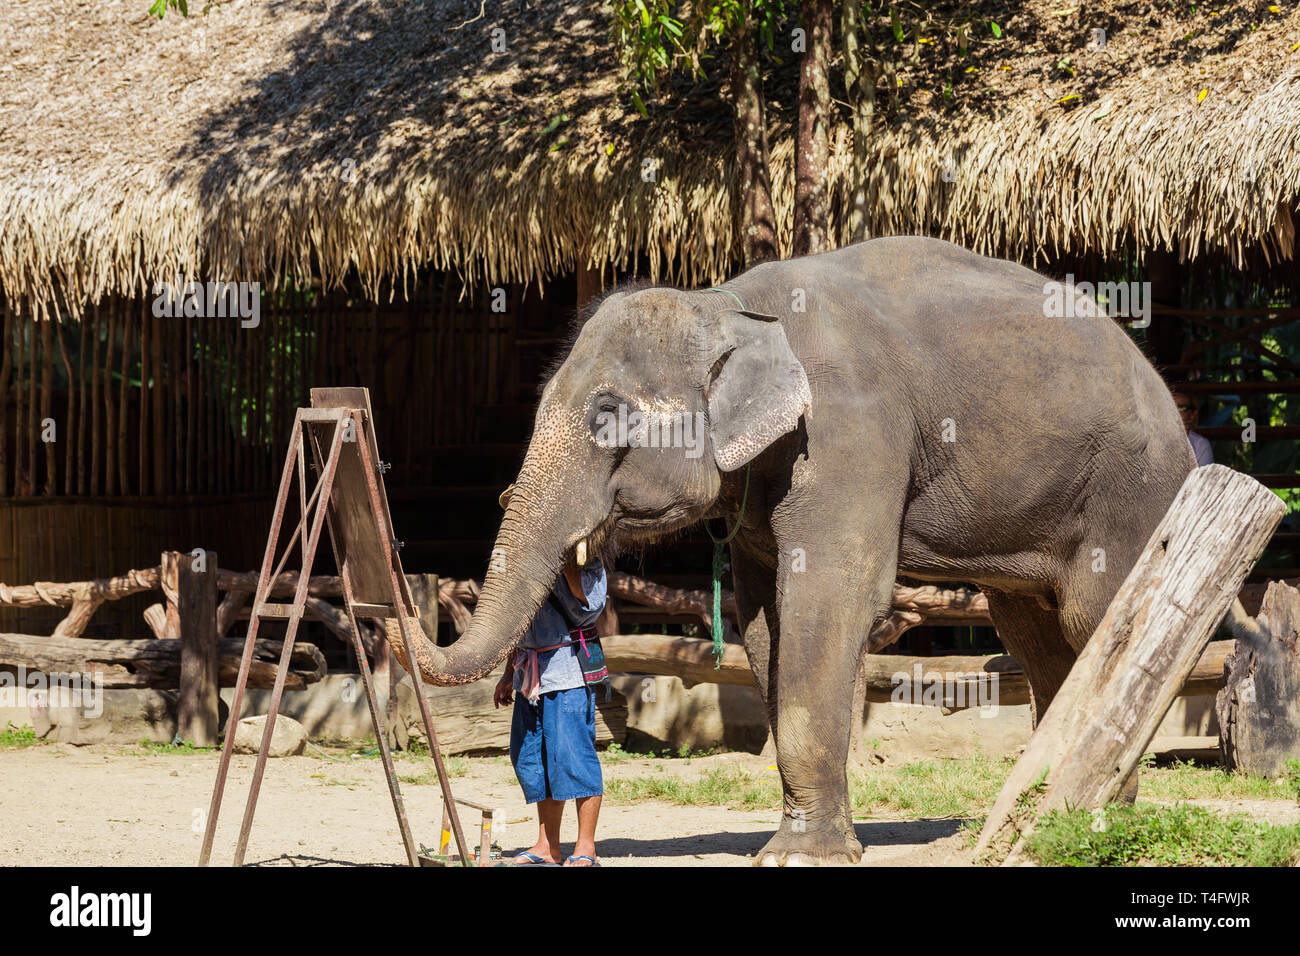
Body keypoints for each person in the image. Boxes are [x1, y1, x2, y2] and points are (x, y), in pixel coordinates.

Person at [492, 486, 607, 867]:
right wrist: (508, 673)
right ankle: (546, 846)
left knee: (572, 758)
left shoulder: (588, 562)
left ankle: (585, 847)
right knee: (533, 759)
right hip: (530, 673)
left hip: (568, 672)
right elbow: (511, 622)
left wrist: (565, 564)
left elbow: (589, 609)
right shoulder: (519, 565)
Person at [1172, 389, 1214, 467]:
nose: (1173, 412)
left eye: (1181, 408)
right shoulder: (1150, 443)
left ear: (1192, 414)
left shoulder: (1200, 445)